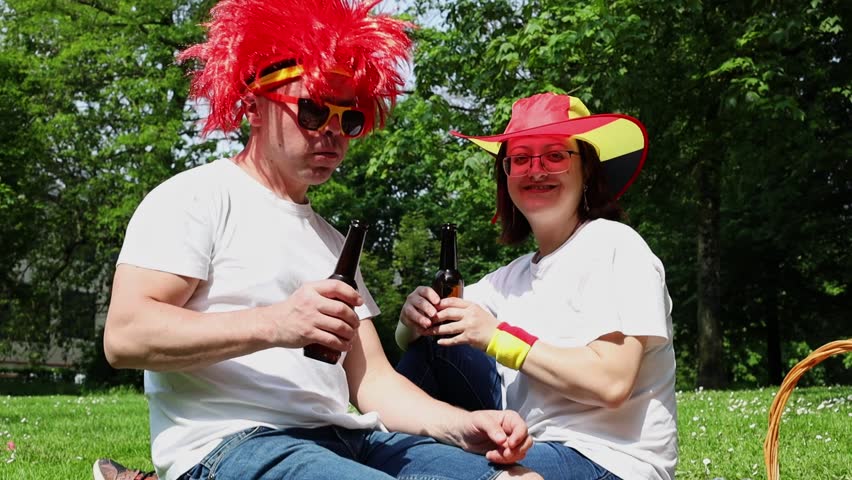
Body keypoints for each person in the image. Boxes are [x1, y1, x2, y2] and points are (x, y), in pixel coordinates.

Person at [95, 1, 542, 479]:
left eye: (349, 120)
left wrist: (461, 424)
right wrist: (277, 323)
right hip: (236, 443)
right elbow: (125, 336)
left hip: (349, 438)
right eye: (311, 110)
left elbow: (373, 382)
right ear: (254, 105)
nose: (331, 132)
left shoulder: (332, 242)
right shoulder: (196, 197)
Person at [394, 92, 679, 480]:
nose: (536, 170)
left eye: (555, 156)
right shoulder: (508, 278)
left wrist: (496, 337)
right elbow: (427, 339)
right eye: (521, 159)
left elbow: (611, 382)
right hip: (530, 447)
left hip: (609, 460)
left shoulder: (617, 247)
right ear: (506, 176)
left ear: (588, 171)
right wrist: (413, 318)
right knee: (432, 352)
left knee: (408, 465)